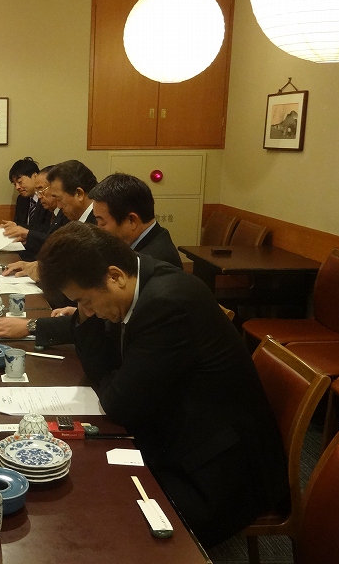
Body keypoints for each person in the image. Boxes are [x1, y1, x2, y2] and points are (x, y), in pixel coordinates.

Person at [36, 223, 289, 547]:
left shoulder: (166, 303)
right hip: (175, 435)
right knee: (82, 484)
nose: (87, 311)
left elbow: (119, 404)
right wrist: (89, 321)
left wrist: (115, 380)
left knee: (99, 518)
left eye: (86, 300)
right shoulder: (134, 284)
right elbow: (104, 372)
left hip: (219, 471)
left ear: (114, 276)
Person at [2, 160, 97, 280]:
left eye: (58, 198)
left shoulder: (98, 222)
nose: (59, 206)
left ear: (79, 194)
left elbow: (83, 270)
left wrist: (42, 271)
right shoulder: (76, 216)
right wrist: (33, 266)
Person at [89, 173, 183, 269]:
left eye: (102, 223)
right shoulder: (151, 238)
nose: (98, 229)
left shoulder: (152, 263)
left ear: (132, 221)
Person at [1, 165, 68, 257]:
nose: (39, 196)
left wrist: (26, 233)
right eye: (14, 184)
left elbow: (58, 244)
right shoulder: (23, 199)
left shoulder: (65, 212)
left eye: (20, 182)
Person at [0, 157, 51, 244]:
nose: (17, 187)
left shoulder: (47, 199)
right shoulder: (21, 199)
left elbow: (46, 230)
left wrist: (18, 226)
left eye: (20, 182)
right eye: (15, 184)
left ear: (35, 176)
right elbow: (17, 222)